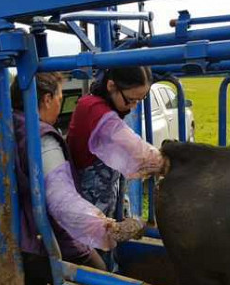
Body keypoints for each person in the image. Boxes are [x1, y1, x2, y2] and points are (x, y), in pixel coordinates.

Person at [11, 72, 144, 285]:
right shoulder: (43, 138)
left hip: (20, 236)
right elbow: (62, 201)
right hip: (48, 238)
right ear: (47, 98)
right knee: (102, 284)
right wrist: (108, 229)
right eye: (60, 97)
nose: (62, 104)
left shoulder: (7, 123)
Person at [67, 66, 163, 220]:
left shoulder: (106, 108)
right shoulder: (93, 109)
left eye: (140, 100)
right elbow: (135, 148)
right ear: (111, 86)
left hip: (104, 203)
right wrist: (164, 161)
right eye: (131, 100)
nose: (134, 106)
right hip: (87, 208)